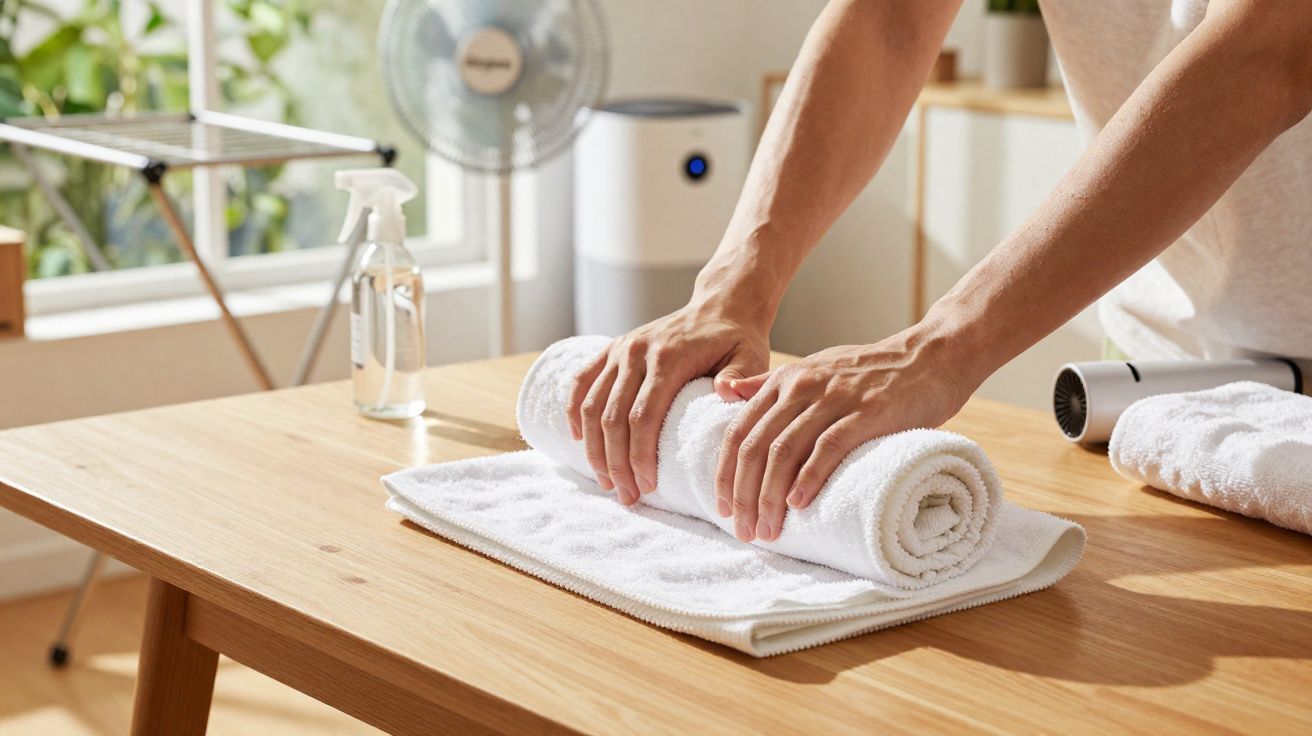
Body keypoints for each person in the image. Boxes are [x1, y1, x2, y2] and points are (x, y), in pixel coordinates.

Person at [566, 1, 1312, 545]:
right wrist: (732, 287)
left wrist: (940, 347)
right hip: (1155, 392)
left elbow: (1271, 50)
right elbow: (890, 19)